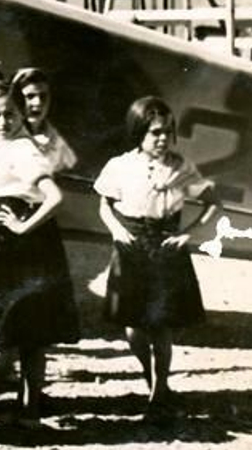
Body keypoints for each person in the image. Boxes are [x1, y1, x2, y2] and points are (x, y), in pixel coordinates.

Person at [0, 80, 77, 427]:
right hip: (1, 248)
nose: (2, 121)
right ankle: (28, 411)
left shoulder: (24, 149)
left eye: (9, 114)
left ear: (21, 113)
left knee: (9, 332)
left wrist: (22, 226)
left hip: (22, 248)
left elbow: (54, 197)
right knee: (23, 332)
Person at [94, 96, 221, 419]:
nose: (162, 138)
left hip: (165, 248)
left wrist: (188, 234)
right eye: (154, 133)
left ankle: (159, 393)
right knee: (133, 328)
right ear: (138, 132)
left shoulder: (182, 167)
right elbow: (105, 204)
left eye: (167, 131)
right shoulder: (120, 166)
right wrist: (115, 230)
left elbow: (213, 203)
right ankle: (152, 379)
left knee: (161, 326)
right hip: (131, 247)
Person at [11, 67, 77, 173]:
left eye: (43, 96)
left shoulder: (56, 141)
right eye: (30, 96)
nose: (37, 103)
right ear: (16, 99)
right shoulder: (6, 137)